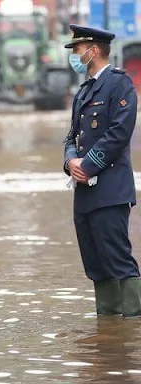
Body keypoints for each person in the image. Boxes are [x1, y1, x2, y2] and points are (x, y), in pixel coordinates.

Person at [63, 24, 141, 317]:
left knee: (117, 259)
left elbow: (120, 132)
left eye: (78, 50)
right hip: (83, 192)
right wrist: (70, 161)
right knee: (95, 264)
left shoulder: (119, 83)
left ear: (93, 51)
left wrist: (88, 163)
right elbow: (71, 136)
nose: (75, 55)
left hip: (110, 189)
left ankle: (133, 328)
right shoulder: (84, 91)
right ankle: (109, 330)